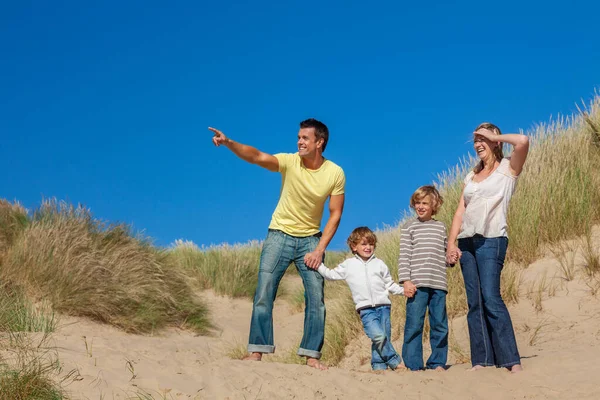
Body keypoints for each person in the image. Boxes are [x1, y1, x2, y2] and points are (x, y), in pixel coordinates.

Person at [210, 119, 345, 370]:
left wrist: (319, 249)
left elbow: (335, 214)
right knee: (264, 292)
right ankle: (257, 351)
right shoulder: (289, 161)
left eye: (305, 138)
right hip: (279, 235)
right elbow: (258, 156)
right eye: (298, 137)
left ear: (319, 142)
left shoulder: (335, 172)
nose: (299, 142)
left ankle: (312, 355)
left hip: (311, 241)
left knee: (316, 298)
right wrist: (228, 142)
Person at [446, 122, 529, 373]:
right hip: (467, 242)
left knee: (491, 297)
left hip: (492, 239)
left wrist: (495, 134)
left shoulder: (508, 169)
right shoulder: (470, 176)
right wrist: (451, 243)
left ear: (496, 141)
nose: (478, 143)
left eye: (482, 138)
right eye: (475, 140)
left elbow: (523, 141)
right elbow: (461, 211)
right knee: (475, 303)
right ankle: (481, 360)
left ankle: (510, 360)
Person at [310, 227, 405, 371]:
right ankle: (394, 361)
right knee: (378, 336)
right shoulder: (348, 265)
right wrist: (318, 265)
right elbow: (331, 275)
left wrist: (404, 291)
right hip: (366, 310)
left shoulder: (380, 264)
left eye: (371, 244)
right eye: (364, 244)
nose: (368, 247)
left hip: (384, 307)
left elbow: (390, 284)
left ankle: (379, 367)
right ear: (354, 246)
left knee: (382, 338)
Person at [398, 185, 455, 371]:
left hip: (438, 284)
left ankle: (437, 362)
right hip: (417, 284)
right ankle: (413, 365)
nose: (420, 206)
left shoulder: (440, 227)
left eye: (425, 203)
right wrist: (405, 281)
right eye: (417, 203)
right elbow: (404, 256)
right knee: (414, 324)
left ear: (434, 205)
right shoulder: (409, 228)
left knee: (439, 325)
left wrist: (451, 258)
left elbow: (445, 256)